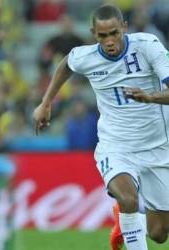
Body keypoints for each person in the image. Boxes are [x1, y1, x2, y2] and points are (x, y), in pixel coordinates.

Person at [33, 4, 169, 250]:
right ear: (93, 34)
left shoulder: (148, 46)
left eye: (114, 33)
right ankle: (128, 213)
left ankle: (126, 220)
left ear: (124, 28)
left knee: (159, 233)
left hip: (158, 147)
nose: (109, 41)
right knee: (128, 198)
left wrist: (150, 97)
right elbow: (66, 63)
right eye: (102, 35)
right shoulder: (87, 57)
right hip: (115, 146)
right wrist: (46, 103)